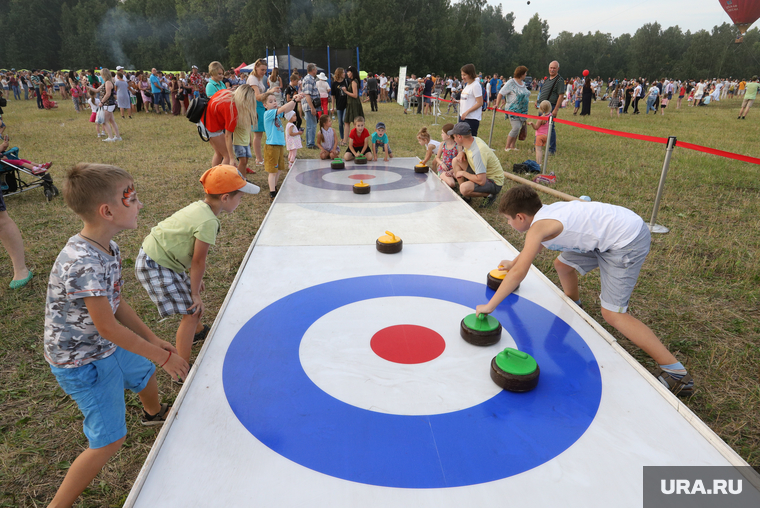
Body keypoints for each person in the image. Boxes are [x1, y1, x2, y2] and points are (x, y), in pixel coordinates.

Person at [45, 163, 190, 508]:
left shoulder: (108, 247)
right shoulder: (83, 262)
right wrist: (165, 356)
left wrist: (154, 341)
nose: (139, 204)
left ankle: (154, 415)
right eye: (132, 198)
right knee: (109, 441)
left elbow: (116, 302)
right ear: (107, 211)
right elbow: (107, 326)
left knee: (143, 372)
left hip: (105, 346)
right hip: (83, 362)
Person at [476, 185, 694, 397]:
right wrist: (514, 263)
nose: (508, 222)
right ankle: (574, 305)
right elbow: (534, 250)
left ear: (521, 217)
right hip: (611, 232)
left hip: (626, 241)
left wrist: (490, 305)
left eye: (508, 219)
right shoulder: (547, 213)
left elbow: (520, 274)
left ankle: (677, 374)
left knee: (613, 314)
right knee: (563, 265)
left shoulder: (537, 228)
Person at [136, 164, 258, 364]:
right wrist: (195, 293)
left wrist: (193, 280)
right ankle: (182, 367)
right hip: (155, 264)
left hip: (161, 257)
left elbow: (189, 252)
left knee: (192, 297)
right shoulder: (208, 222)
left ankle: (198, 332)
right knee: (192, 310)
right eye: (240, 197)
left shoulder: (200, 207)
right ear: (226, 197)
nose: (241, 201)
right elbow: (198, 260)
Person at [448, 122, 504, 207]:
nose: (454, 139)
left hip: (494, 182)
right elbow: (467, 150)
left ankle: (489, 195)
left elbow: (481, 181)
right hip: (481, 174)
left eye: (454, 137)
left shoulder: (478, 152)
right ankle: (466, 197)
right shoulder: (473, 140)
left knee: (464, 188)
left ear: (459, 137)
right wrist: (462, 152)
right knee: (456, 160)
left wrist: (463, 173)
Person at [201, 85, 258, 167]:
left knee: (219, 153)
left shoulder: (227, 92)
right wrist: (232, 158)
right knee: (226, 157)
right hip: (210, 126)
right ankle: (217, 177)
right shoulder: (232, 110)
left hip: (204, 120)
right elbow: (228, 136)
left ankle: (213, 177)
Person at [263, 90, 304, 199]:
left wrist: (295, 101)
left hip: (279, 145)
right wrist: (294, 99)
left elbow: (289, 109)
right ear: (265, 105)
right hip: (272, 146)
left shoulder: (276, 113)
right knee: (272, 171)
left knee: (279, 169)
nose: (274, 103)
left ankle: (275, 187)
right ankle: (272, 192)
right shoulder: (268, 113)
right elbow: (284, 108)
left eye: (275, 100)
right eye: (271, 101)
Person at [497, 65, 530, 152]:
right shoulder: (511, 82)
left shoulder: (523, 84)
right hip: (513, 110)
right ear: (521, 74)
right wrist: (497, 104)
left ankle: (512, 146)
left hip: (522, 111)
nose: (526, 74)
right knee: (516, 127)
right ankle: (507, 147)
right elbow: (501, 93)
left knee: (518, 128)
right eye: (525, 73)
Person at [536, 61, 565, 155]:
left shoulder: (559, 80)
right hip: (542, 106)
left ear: (558, 69)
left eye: (554, 68)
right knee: (539, 126)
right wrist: (538, 101)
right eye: (551, 68)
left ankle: (552, 149)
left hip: (550, 107)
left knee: (550, 127)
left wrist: (556, 109)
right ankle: (538, 145)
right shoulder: (548, 79)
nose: (552, 69)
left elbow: (561, 95)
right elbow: (543, 91)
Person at [300, 63, 321, 149]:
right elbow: (307, 95)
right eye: (315, 69)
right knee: (311, 125)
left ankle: (310, 142)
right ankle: (310, 144)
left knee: (312, 124)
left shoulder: (310, 79)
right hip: (309, 106)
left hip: (310, 105)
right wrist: (312, 107)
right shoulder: (309, 79)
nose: (316, 71)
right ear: (312, 70)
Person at [458, 64, 483, 136]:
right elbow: (466, 100)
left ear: (471, 74)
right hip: (463, 117)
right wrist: (457, 101)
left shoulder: (475, 85)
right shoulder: (467, 85)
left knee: (470, 141)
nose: (462, 77)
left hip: (471, 118)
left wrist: (467, 112)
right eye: (462, 75)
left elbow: (480, 102)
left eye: (464, 75)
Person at [342, 66, 364, 144]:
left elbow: (355, 95)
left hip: (354, 104)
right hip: (350, 103)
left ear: (352, 72)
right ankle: (345, 141)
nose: (347, 73)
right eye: (347, 72)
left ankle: (357, 140)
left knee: (356, 123)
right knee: (347, 122)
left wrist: (345, 91)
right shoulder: (352, 81)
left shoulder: (354, 82)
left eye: (348, 72)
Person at [433, 123, 458, 189]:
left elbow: (460, 160)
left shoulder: (458, 145)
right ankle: (444, 177)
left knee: (460, 177)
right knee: (451, 184)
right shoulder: (442, 144)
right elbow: (437, 157)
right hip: (444, 169)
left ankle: (450, 177)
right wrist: (441, 164)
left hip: (454, 169)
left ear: (448, 136)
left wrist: (452, 171)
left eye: (443, 133)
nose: (441, 135)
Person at [528, 100, 552, 166]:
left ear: (540, 108)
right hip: (546, 136)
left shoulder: (540, 118)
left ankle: (538, 163)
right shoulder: (551, 116)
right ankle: (540, 162)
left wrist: (532, 123)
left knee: (538, 150)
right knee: (541, 150)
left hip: (539, 136)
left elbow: (536, 127)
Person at [331, 67, 348, 144]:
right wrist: (332, 107)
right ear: (339, 74)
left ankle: (345, 137)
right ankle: (342, 138)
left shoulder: (346, 81)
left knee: (344, 120)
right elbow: (333, 96)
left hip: (346, 104)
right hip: (338, 105)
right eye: (343, 72)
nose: (345, 74)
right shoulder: (334, 84)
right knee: (340, 123)